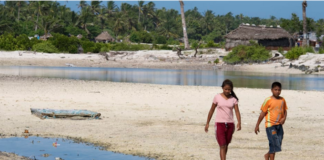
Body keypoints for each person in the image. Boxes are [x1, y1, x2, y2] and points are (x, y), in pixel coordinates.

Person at [205, 79, 241, 160]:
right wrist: (207, 123)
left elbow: (237, 111)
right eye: (226, 89)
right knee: (222, 145)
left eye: (229, 89)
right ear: (222, 88)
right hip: (219, 124)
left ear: (231, 89)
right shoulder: (217, 97)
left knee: (226, 145)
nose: (227, 91)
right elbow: (211, 110)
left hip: (230, 124)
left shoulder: (233, 99)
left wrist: (239, 122)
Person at [255, 82, 288, 160]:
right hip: (270, 126)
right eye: (275, 89)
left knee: (278, 144)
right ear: (272, 90)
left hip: (279, 125)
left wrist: (284, 118)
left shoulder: (282, 100)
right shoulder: (268, 100)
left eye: (279, 90)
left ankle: (267, 155)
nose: (277, 91)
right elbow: (262, 114)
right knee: (273, 143)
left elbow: (285, 111)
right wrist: (257, 125)